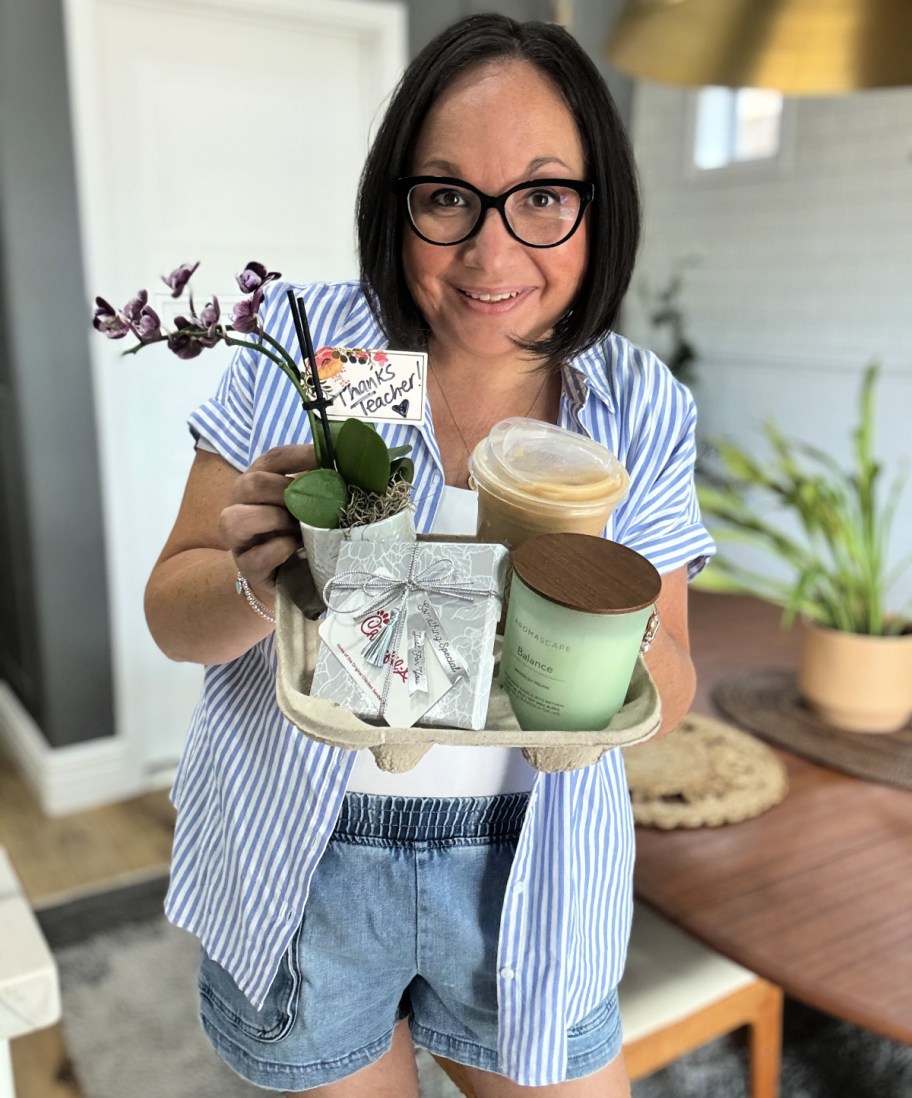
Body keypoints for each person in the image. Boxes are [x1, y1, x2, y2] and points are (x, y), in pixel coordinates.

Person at [145, 13, 714, 1098]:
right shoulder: (325, 349)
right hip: (301, 857)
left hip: (533, 868)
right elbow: (174, 619)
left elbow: (673, 677)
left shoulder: (632, 404)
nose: (492, 256)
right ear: (395, 201)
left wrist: (600, 629)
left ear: (601, 208)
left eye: (545, 196)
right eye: (448, 196)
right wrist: (255, 576)